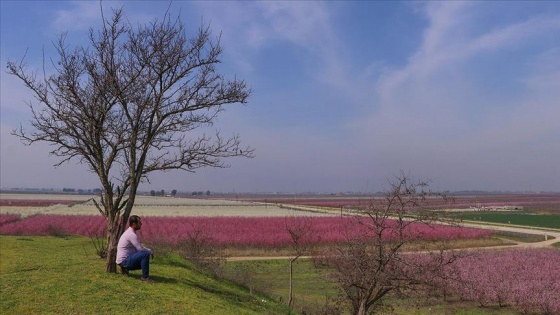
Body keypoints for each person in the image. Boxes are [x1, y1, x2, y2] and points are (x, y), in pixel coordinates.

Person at [116, 215, 154, 282]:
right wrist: (150, 251)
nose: (141, 224)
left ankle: (125, 269)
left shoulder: (130, 232)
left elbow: (139, 247)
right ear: (134, 224)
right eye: (139, 222)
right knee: (145, 254)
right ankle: (145, 277)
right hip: (124, 260)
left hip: (123, 260)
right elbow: (140, 249)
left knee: (144, 260)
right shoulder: (131, 234)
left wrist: (148, 250)